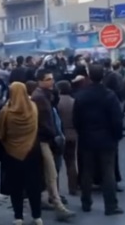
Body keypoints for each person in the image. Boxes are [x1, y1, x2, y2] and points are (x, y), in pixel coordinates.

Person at [73, 63, 123, 216]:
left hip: (87, 138)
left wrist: (81, 132)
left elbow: (76, 119)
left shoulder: (81, 95)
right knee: (108, 173)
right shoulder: (109, 95)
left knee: (86, 171)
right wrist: (117, 136)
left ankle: (86, 203)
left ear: (89, 76)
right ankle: (110, 205)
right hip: (107, 139)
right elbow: (117, 119)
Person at [0, 82, 43, 225]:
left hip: (11, 153)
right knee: (34, 185)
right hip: (32, 150)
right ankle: (37, 216)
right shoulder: (33, 108)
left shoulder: (6, 112)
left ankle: (18, 217)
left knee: (16, 186)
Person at [31, 68, 75, 221]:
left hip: (47, 139)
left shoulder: (45, 95)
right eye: (48, 79)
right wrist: (54, 136)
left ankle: (48, 201)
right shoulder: (39, 97)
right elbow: (44, 122)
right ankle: (58, 206)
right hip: (44, 140)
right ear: (40, 81)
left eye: (52, 78)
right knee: (51, 174)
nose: (52, 81)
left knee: (48, 174)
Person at [56, 80, 78, 196]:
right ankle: (73, 187)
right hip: (72, 134)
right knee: (71, 162)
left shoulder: (56, 103)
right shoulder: (74, 101)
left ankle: (56, 191)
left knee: (56, 165)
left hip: (60, 135)